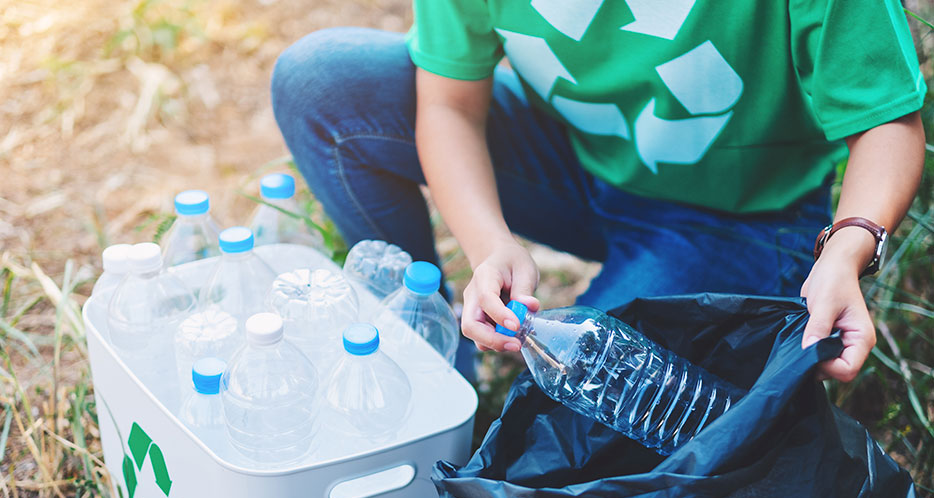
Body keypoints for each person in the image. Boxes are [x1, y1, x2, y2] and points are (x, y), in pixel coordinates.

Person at [271, 0, 926, 382]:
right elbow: (448, 107)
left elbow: (887, 122)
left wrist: (846, 249)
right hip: (576, 161)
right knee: (322, 83)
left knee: (572, 407)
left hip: (741, 214)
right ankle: (430, 368)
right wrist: (491, 244)